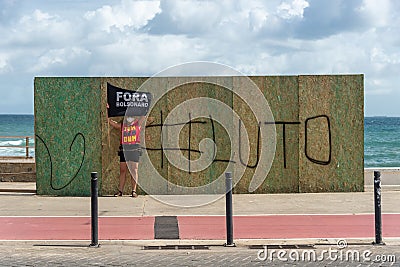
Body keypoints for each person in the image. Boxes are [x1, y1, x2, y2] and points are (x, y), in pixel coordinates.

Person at [107, 107, 146, 198]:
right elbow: (109, 121)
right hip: (124, 150)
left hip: (134, 149)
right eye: (128, 116)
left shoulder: (137, 124)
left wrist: (145, 104)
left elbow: (144, 115)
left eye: (131, 116)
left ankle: (134, 191)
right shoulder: (122, 126)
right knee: (123, 170)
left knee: (134, 170)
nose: (129, 118)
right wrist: (108, 110)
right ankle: (120, 191)